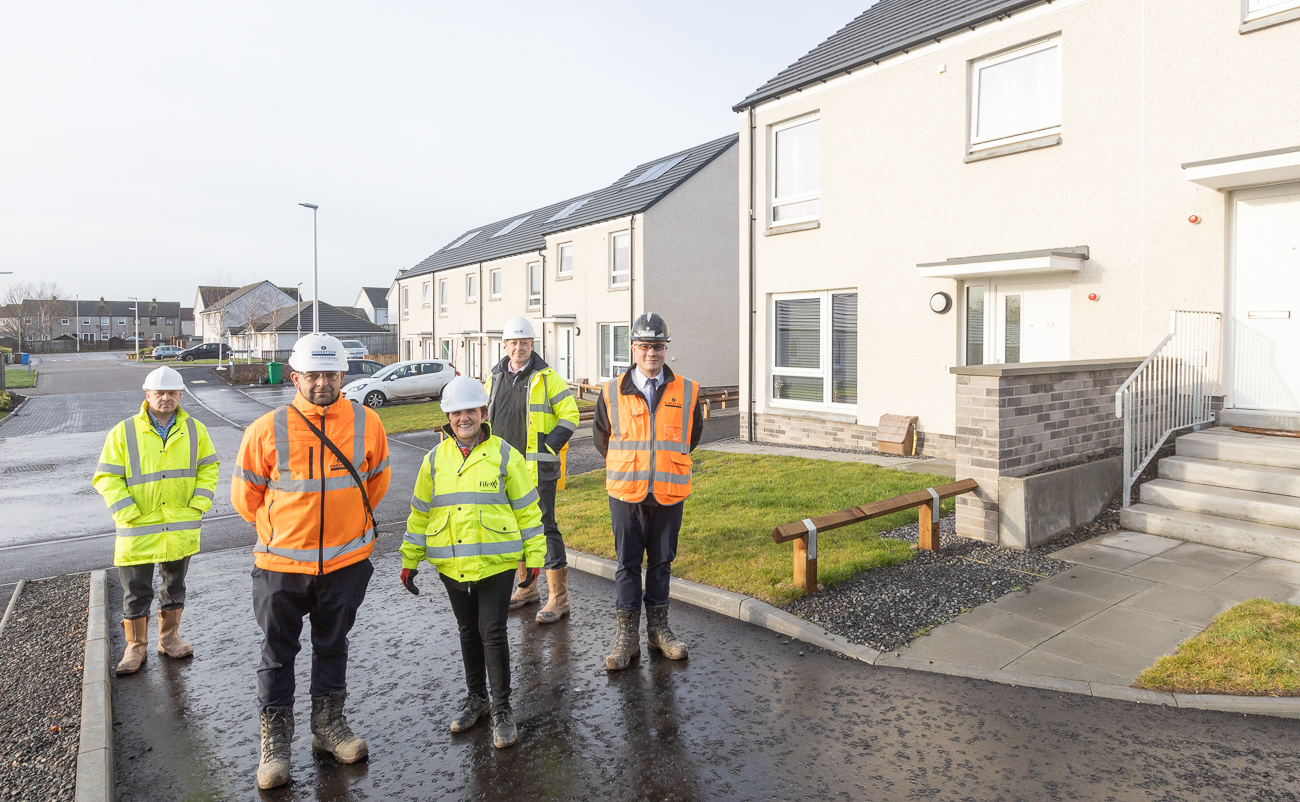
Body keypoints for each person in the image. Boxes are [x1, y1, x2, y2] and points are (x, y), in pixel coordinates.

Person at [232, 332, 392, 790]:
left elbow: (376, 482)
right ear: (295, 376)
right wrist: (287, 533)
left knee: (333, 644)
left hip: (345, 563)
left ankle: (328, 729)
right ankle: (276, 748)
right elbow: (246, 498)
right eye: (313, 375)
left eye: (330, 374)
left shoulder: (367, 422)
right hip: (281, 567)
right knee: (278, 653)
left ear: (343, 375)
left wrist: (344, 528)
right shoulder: (265, 429)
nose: (322, 382)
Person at [400, 376, 545, 749]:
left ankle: (501, 709)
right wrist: (410, 560)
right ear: (447, 417)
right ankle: (476, 699)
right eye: (456, 412)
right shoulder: (434, 461)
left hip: (496, 563)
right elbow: (420, 514)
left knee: (491, 631)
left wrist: (534, 557)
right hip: (451, 565)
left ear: (484, 413)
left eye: (471, 411)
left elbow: (528, 510)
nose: (464, 418)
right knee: (468, 631)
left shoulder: (504, 455)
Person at [592, 313, 703, 671]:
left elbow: (692, 436)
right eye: (644, 346)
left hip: (669, 491)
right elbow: (601, 439)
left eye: (657, 346)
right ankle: (626, 638)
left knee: (661, 563)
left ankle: (659, 631)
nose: (651, 353)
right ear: (633, 348)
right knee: (627, 564)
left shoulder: (687, 391)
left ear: (666, 349)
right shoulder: (611, 391)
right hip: (626, 492)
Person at [93, 365, 219, 675]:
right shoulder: (123, 431)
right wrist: (126, 512)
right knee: (136, 591)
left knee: (174, 585)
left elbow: (209, 468)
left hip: (179, 526)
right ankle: (135, 648)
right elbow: (106, 476)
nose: (165, 398)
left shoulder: (196, 430)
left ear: (180, 395)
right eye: (159, 393)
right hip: (137, 528)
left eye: (172, 393)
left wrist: (198, 504)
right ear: (147, 395)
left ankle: (169, 638)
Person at [484, 316, 580, 624]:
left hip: (538, 471)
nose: (518, 348)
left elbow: (570, 415)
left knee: (544, 529)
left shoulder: (547, 377)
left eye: (524, 343)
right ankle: (527, 589)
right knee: (516, 530)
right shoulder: (495, 377)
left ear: (532, 345)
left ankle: (558, 599)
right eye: (513, 343)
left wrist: (549, 447)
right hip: (503, 470)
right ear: (505, 345)